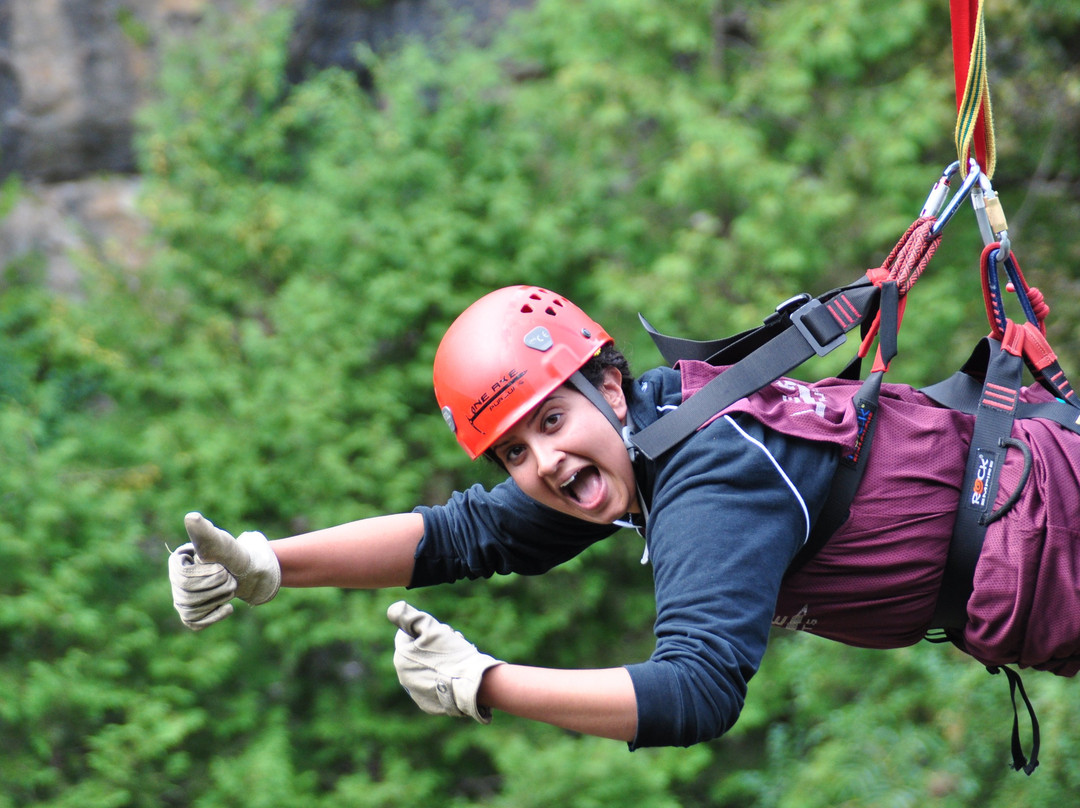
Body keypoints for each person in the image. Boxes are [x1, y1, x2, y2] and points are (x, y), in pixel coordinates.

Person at [168, 284, 1080, 751]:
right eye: (514, 451)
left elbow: (696, 695)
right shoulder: (640, 436)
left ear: (608, 384)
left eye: (552, 421)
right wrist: (269, 563)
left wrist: (488, 684)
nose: (545, 464)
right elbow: (465, 534)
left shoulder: (710, 476)